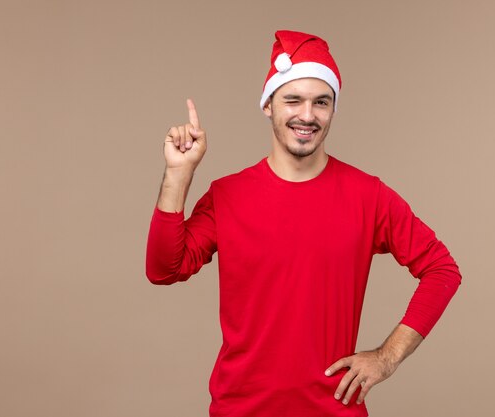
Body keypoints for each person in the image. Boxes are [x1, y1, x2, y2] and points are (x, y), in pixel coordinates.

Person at [146, 30, 462, 417]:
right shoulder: (227, 196)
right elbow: (164, 269)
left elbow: (442, 270)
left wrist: (387, 357)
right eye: (292, 100)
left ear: (333, 108)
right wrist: (178, 175)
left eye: (321, 102)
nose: (307, 115)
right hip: (240, 410)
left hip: (334, 411)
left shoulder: (368, 195)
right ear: (268, 106)